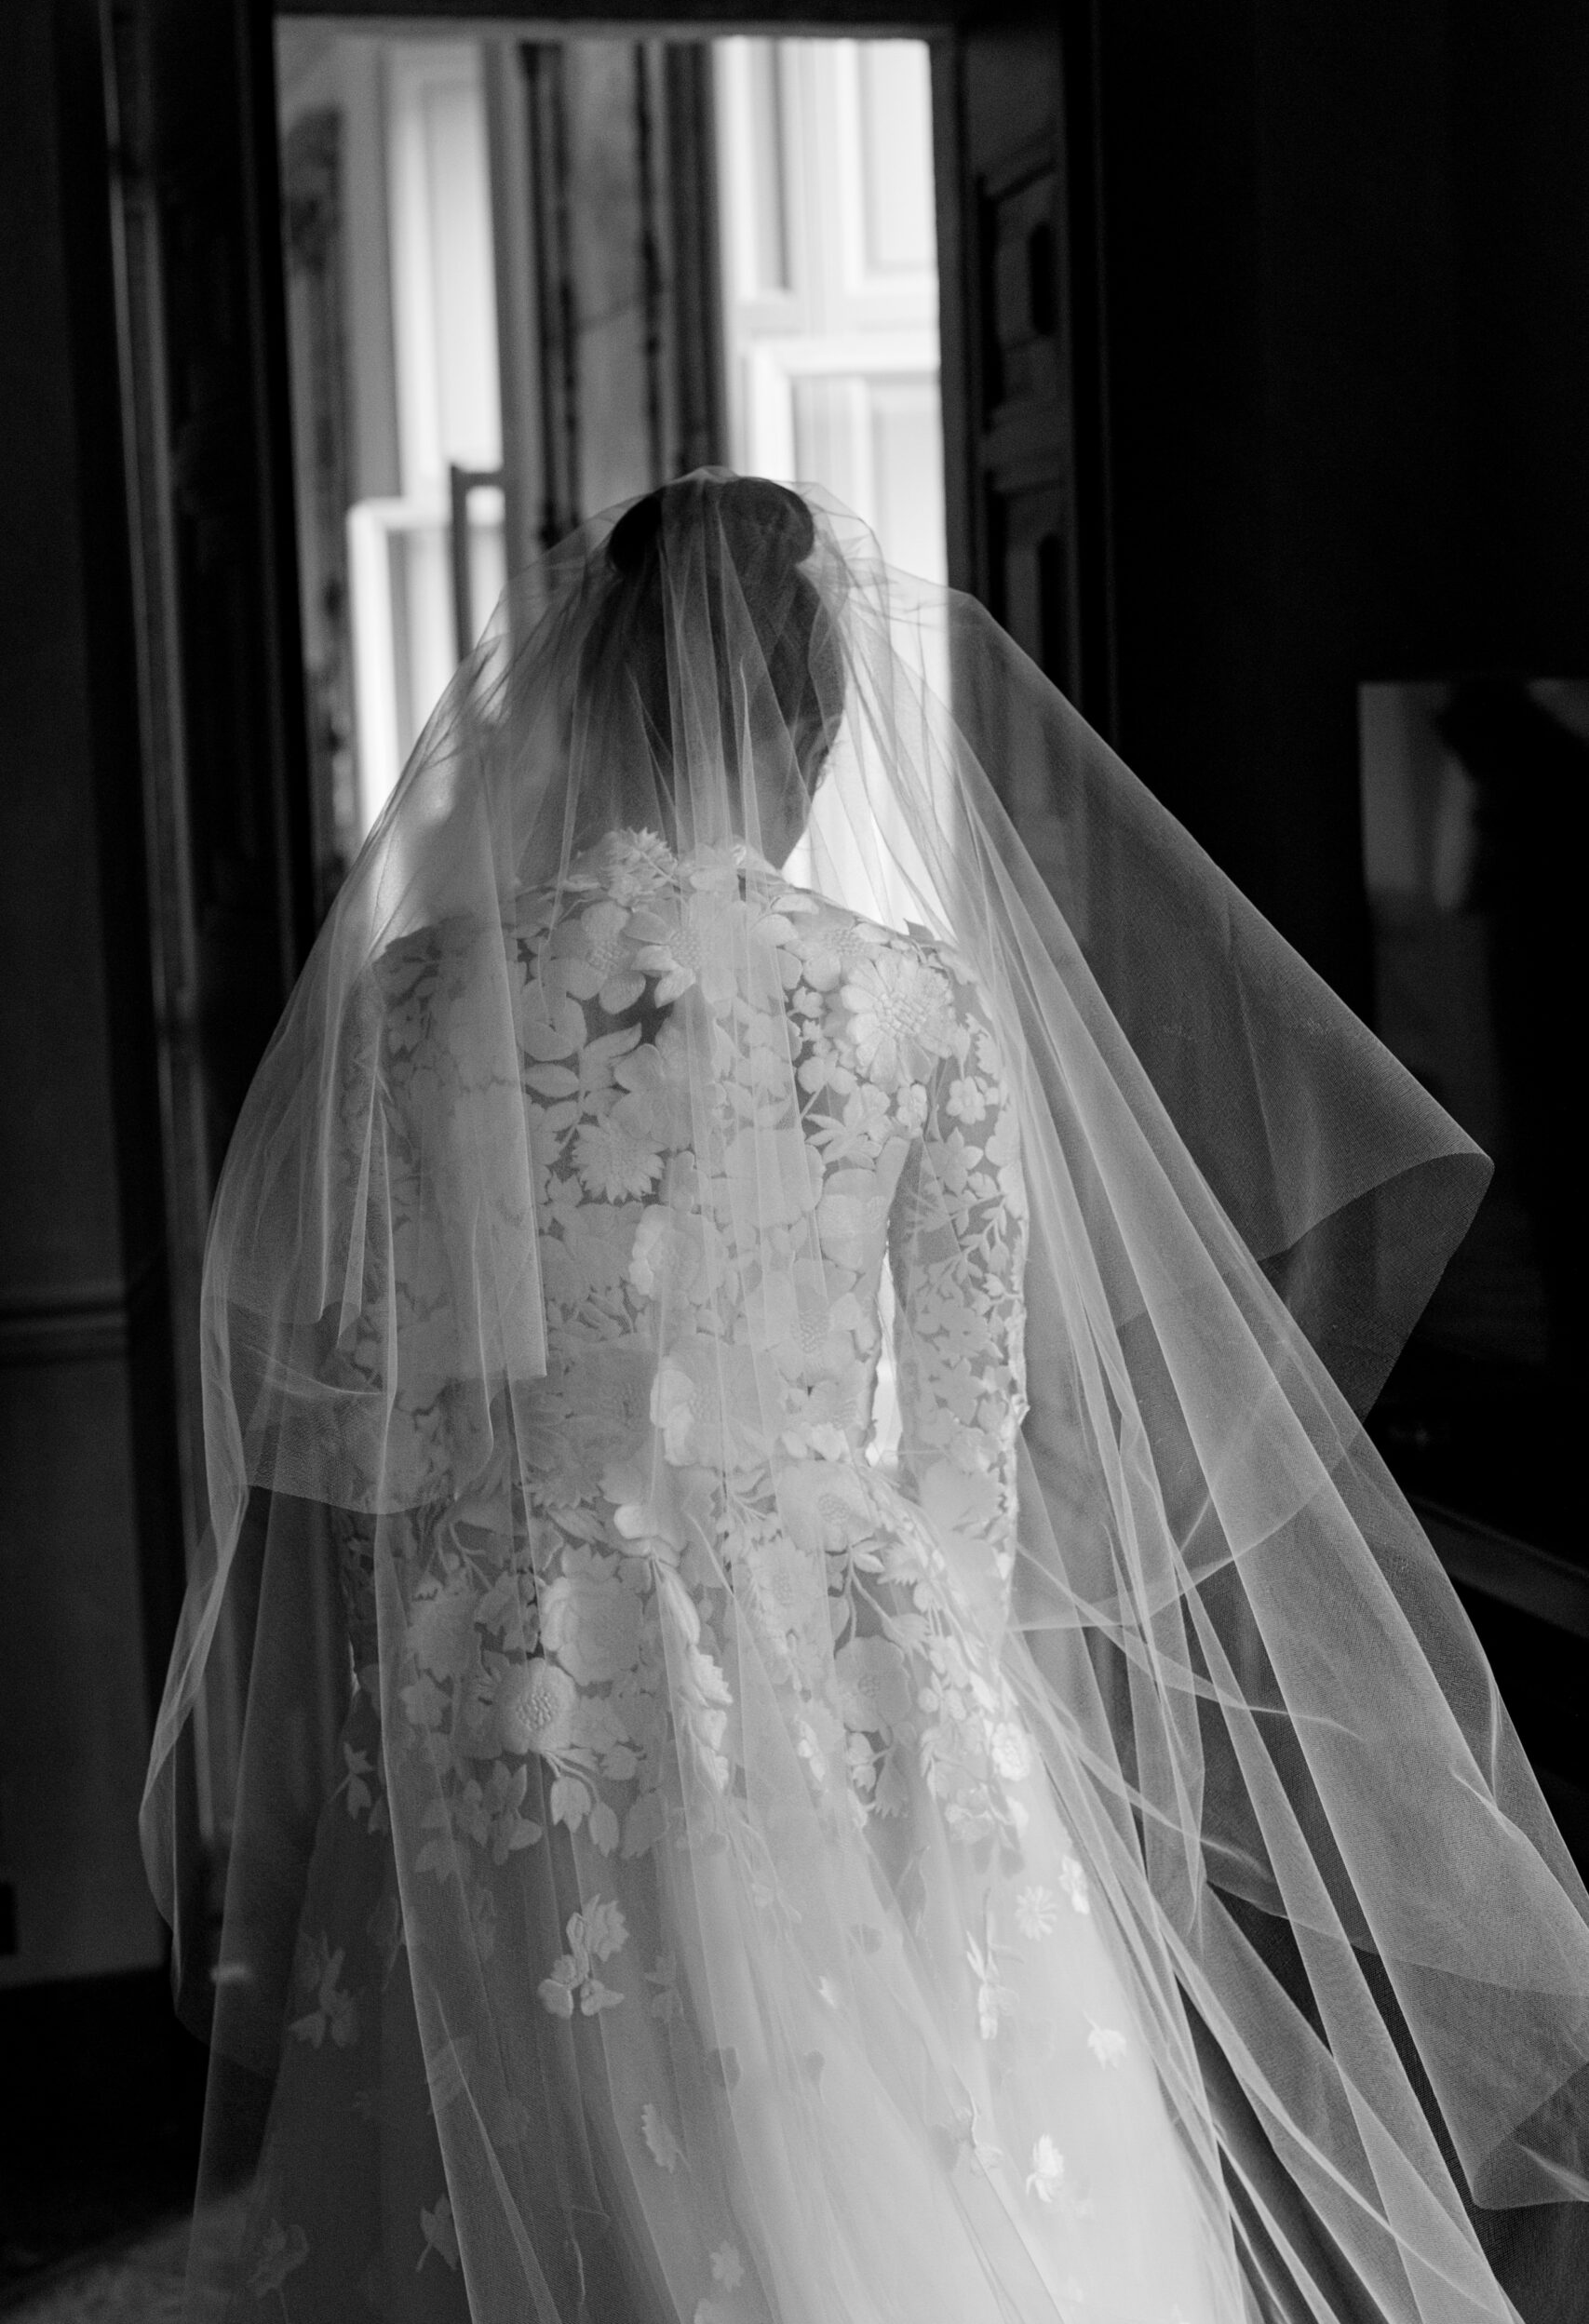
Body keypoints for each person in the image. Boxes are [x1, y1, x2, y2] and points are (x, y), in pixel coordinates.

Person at [143, 472, 1589, 2324]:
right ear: (817, 726)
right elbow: (977, 1440)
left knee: (539, 2155)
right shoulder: (901, 1003)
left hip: (506, 1652)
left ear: (588, 696)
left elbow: (384, 1413)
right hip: (849, 1640)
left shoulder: (420, 1002)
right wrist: (960, 1703)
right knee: (886, 2161)